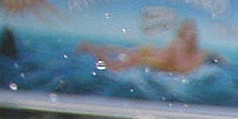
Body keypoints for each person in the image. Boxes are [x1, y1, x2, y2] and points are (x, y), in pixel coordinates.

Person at [79, 20, 223, 77]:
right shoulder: (178, 44)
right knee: (116, 67)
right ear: (183, 32)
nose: (191, 35)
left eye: (192, 32)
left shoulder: (191, 48)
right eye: (188, 31)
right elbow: (180, 67)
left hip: (153, 53)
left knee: (127, 52)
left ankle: (94, 47)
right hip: (152, 58)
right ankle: (92, 49)